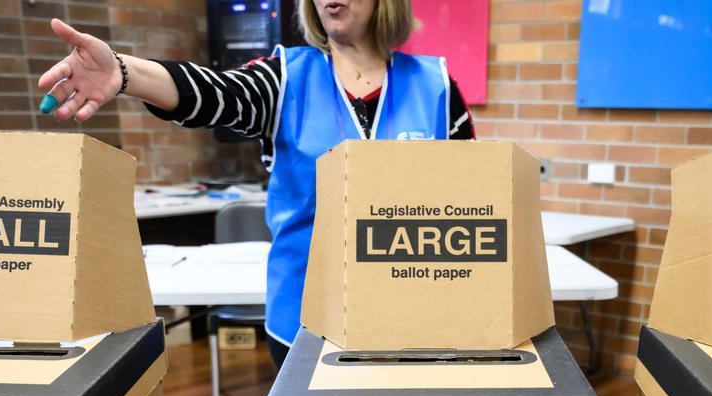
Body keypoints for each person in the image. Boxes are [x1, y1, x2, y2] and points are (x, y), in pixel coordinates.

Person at [36, 0, 475, 367]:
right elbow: (216, 94)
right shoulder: (284, 77)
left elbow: (474, 201)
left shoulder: (435, 86)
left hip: (414, 318)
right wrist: (124, 72)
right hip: (304, 322)